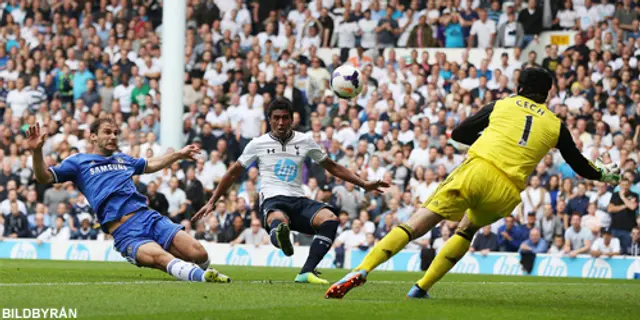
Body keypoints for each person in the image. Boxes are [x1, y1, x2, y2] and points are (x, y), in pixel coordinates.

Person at [325, 67, 621, 299]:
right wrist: (605, 174)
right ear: (548, 93)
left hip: (478, 169)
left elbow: (458, 134)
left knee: (419, 222)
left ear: (519, 87)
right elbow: (580, 164)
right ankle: (421, 288)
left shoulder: (502, 105)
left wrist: (489, 140)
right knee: (467, 229)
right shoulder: (556, 125)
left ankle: (362, 269)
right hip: (507, 192)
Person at [192, 97, 387, 284]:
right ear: (269, 120)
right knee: (279, 221)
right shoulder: (257, 144)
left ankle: (306, 271)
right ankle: (280, 235)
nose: (281, 122)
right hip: (273, 199)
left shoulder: (305, 141)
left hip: (298, 199)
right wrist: (212, 201)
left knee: (330, 219)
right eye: (276, 118)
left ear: (292, 119)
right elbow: (232, 173)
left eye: (285, 117)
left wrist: (364, 184)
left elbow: (332, 166)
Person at [27, 119, 230, 284]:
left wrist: (178, 154)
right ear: (93, 136)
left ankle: (205, 272)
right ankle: (204, 279)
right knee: (162, 258)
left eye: (116, 132)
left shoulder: (123, 159)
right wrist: (37, 152)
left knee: (198, 253)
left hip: (148, 217)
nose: (113, 136)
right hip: (125, 232)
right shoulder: (78, 162)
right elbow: (44, 177)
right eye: (107, 132)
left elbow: (151, 164)